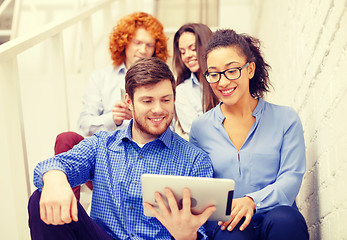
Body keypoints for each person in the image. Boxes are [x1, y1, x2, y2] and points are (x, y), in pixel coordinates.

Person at [28, 57, 216, 240]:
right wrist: (56, 180)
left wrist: (187, 236)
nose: (158, 109)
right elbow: (49, 166)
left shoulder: (195, 160)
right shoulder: (102, 145)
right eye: (147, 101)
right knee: (41, 197)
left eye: (166, 100)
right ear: (129, 101)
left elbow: (203, 233)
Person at [189, 29, 309, 240]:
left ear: (250, 69)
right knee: (230, 232)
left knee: (285, 219)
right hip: (229, 224)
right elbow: (201, 186)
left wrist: (252, 201)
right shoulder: (200, 128)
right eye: (214, 73)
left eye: (232, 70)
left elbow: (291, 179)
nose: (223, 82)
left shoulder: (286, 119)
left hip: (276, 219)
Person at [55, 11, 169, 200]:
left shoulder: (161, 82)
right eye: (137, 42)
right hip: (102, 156)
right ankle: (68, 207)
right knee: (66, 139)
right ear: (124, 43)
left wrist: (146, 117)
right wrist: (112, 119)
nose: (143, 50)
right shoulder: (101, 78)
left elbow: (169, 128)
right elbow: (84, 124)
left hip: (140, 156)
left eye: (149, 45)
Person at [172, 23, 219, 136]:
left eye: (193, 48)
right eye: (182, 52)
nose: (187, 55)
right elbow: (197, 134)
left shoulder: (226, 81)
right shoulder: (182, 91)